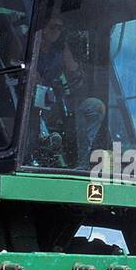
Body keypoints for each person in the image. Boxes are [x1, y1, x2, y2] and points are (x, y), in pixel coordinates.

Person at [33, 15, 104, 168]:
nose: (56, 31)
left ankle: (83, 160)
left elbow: (73, 72)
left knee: (95, 106)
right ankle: (45, 140)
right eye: (53, 27)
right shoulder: (32, 49)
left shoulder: (58, 53)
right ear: (42, 29)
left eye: (60, 28)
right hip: (36, 103)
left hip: (60, 104)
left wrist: (64, 46)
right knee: (37, 98)